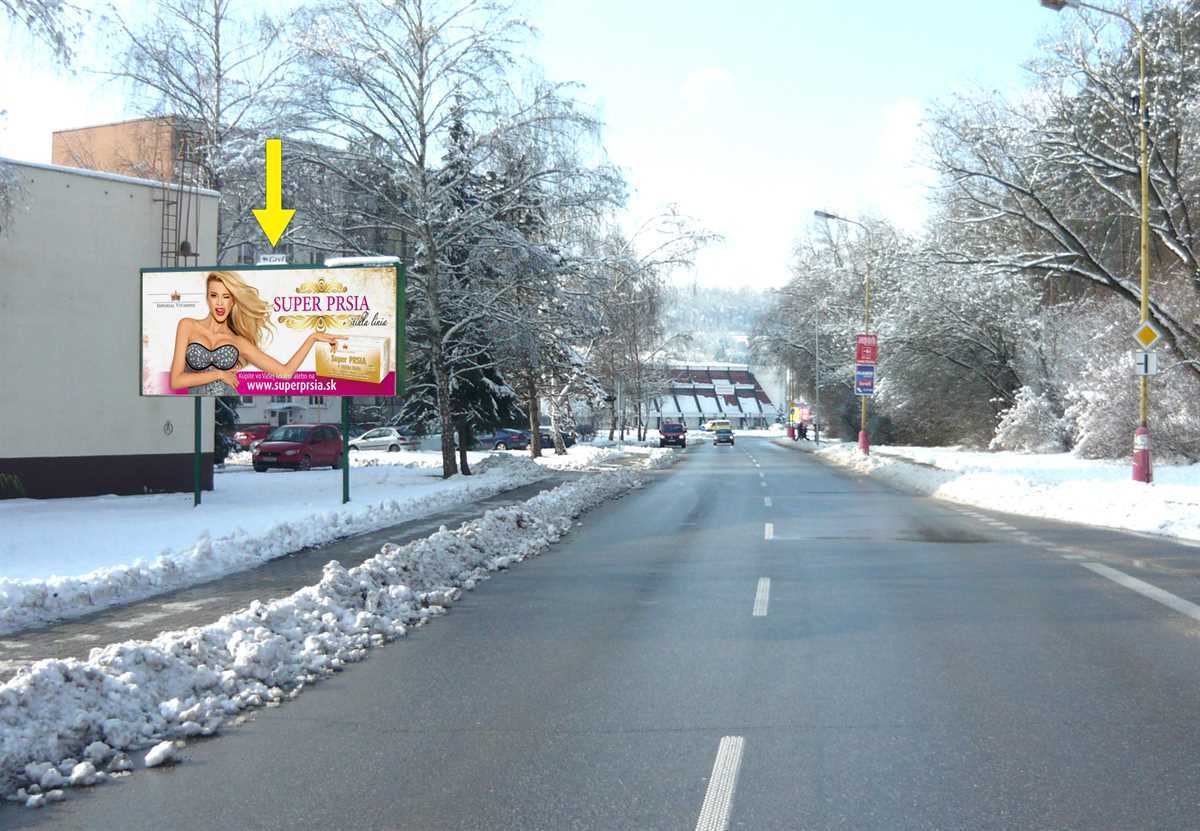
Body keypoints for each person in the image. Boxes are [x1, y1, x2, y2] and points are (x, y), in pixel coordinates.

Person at [169, 271, 342, 395]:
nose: (220, 303)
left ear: (234, 301)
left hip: (225, 398)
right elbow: (176, 381)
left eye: (226, 296)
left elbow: (285, 373)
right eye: (214, 295)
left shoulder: (238, 341)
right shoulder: (187, 325)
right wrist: (219, 374)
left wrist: (312, 338)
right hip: (193, 403)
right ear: (207, 298)